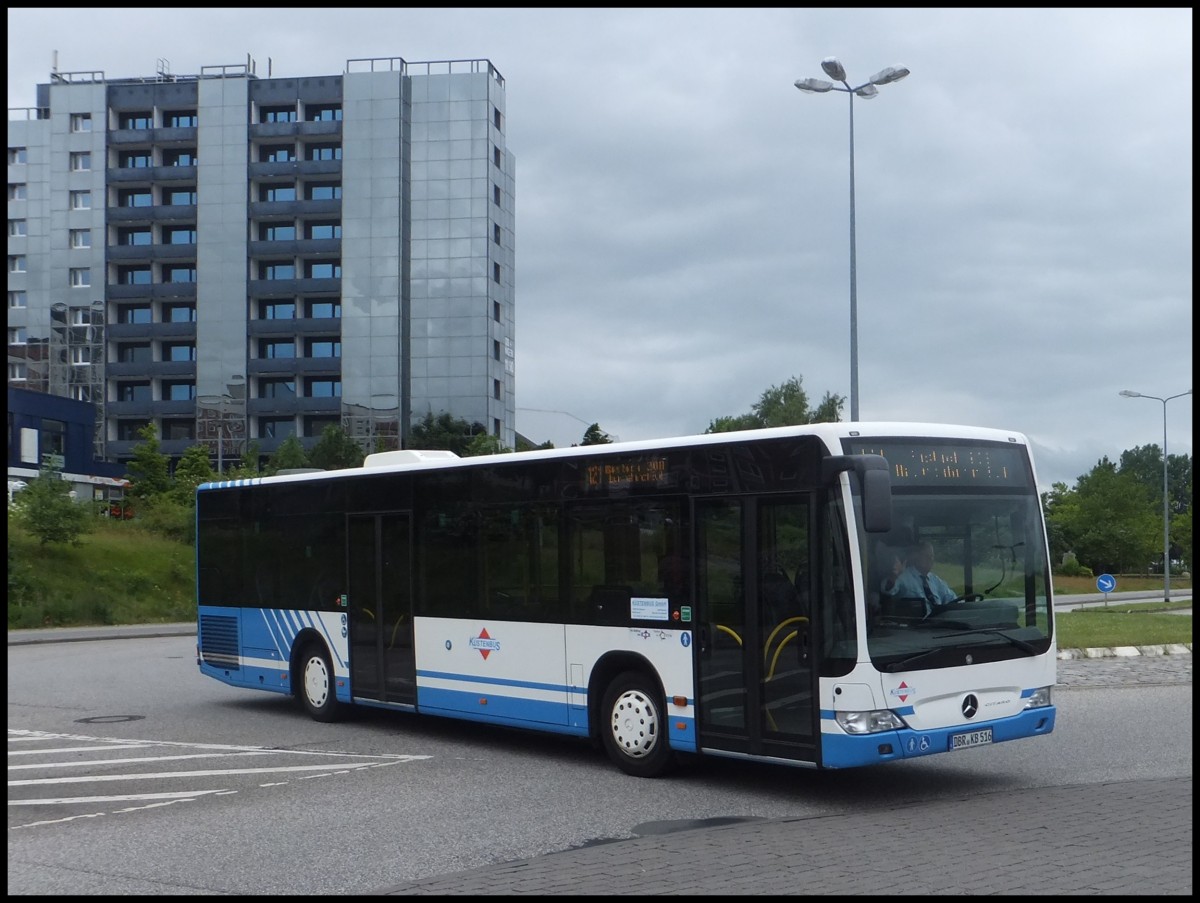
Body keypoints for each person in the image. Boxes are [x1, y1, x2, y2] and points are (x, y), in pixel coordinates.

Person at [880, 541, 958, 616]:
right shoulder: (903, 576)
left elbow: (953, 599)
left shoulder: (935, 580)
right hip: (915, 626)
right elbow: (887, 591)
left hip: (939, 624)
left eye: (932, 556)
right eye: (926, 556)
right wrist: (894, 576)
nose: (930, 559)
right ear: (916, 557)